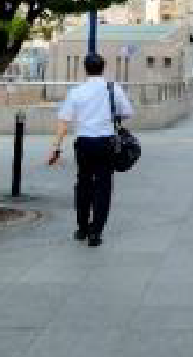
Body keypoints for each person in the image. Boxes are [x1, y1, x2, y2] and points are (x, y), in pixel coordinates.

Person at [48, 53, 134, 247]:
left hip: (84, 143)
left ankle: (82, 229)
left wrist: (56, 147)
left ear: (85, 69)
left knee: (84, 184)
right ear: (103, 68)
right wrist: (109, 115)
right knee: (103, 187)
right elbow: (128, 112)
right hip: (106, 143)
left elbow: (64, 121)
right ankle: (96, 232)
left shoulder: (76, 92)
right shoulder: (113, 89)